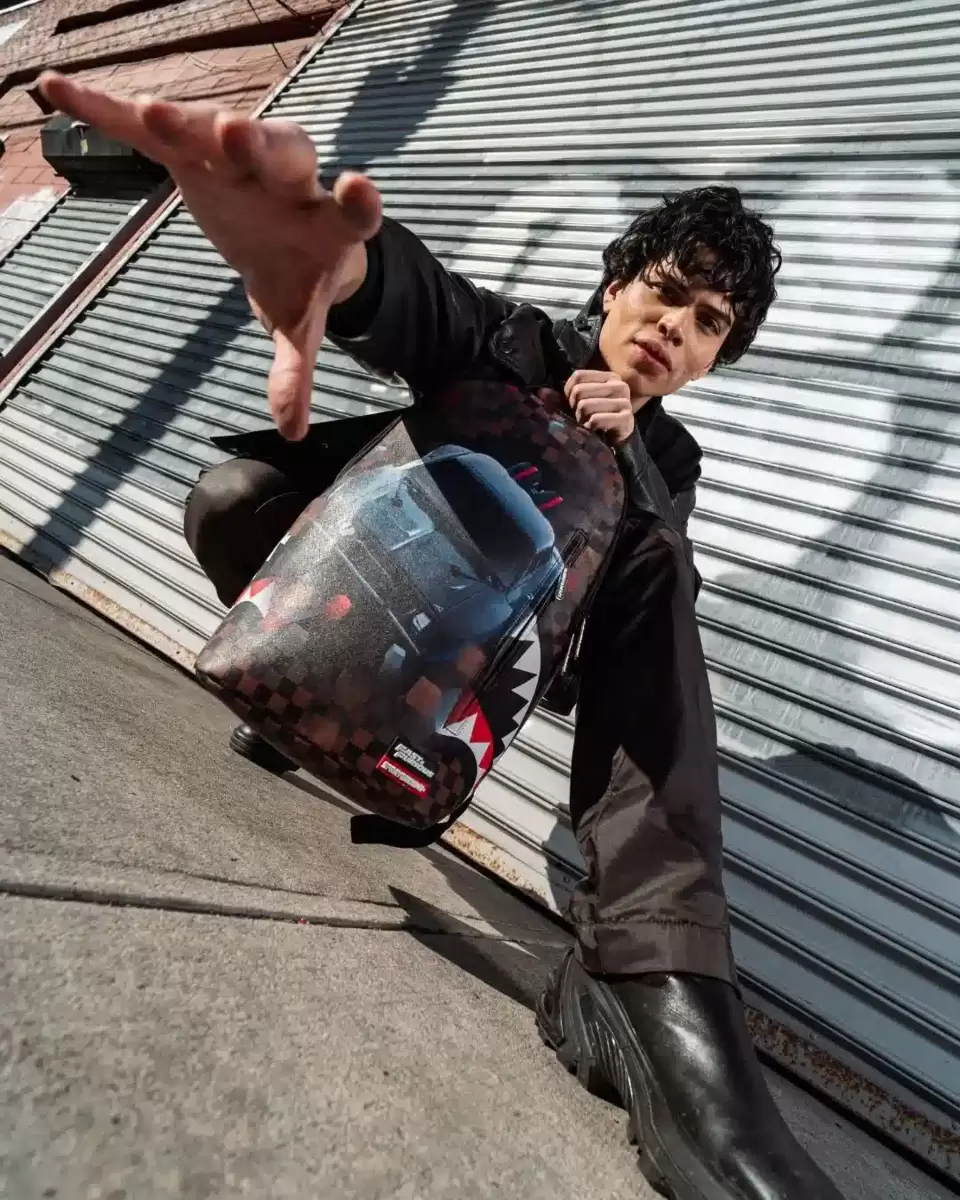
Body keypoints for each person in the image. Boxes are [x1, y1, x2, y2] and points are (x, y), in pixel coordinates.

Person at [39, 72, 843, 1200]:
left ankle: (649, 961)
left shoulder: (674, 461)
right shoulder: (521, 340)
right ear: (616, 285)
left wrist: (623, 466)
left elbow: (636, 621)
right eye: (667, 293)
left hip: (508, 651)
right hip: (373, 580)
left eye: (710, 323)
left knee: (662, 561)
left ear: (718, 356)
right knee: (233, 498)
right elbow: (427, 307)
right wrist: (340, 264)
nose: (677, 328)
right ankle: (307, 694)